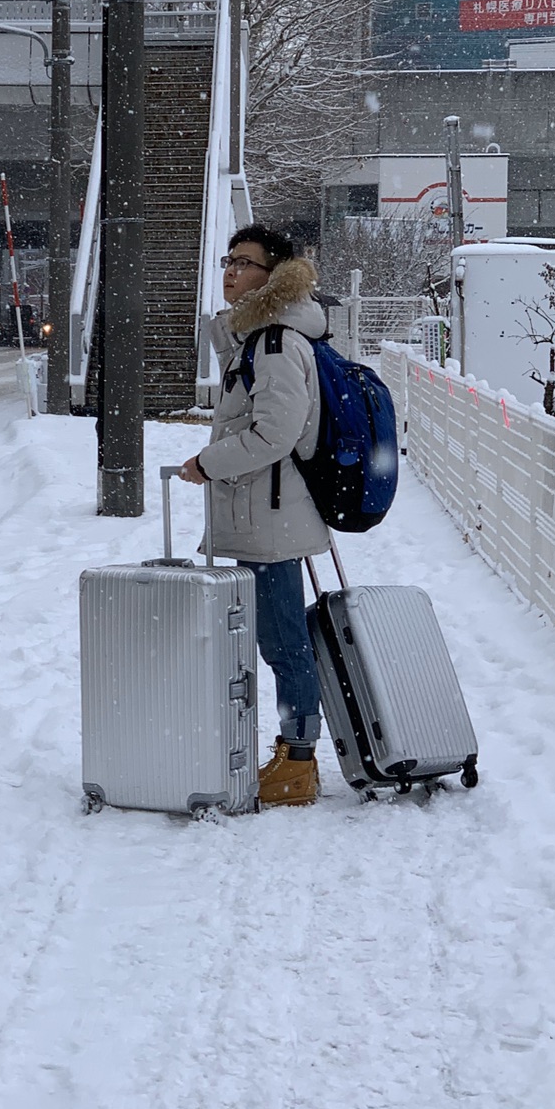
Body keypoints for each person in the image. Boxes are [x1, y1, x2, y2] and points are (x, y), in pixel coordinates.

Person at [178, 225, 327, 807]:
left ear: (275, 275)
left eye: (245, 263)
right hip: (262, 512)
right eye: (228, 261)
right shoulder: (255, 339)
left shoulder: (277, 343)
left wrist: (209, 463)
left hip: (273, 517)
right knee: (276, 639)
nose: (231, 271)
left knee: (285, 643)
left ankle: (298, 761)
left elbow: (275, 431)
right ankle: (293, 754)